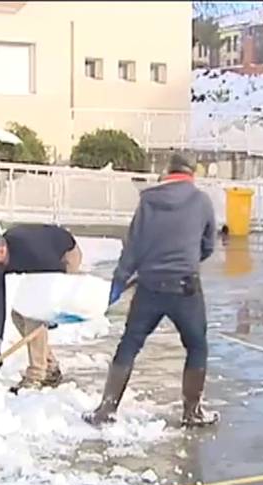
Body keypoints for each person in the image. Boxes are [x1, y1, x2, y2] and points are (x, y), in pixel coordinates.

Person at [84, 153, 219, 428]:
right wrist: (187, 259)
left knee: (130, 343)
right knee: (196, 346)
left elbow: (133, 245)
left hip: (149, 287)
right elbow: (208, 245)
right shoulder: (202, 201)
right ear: (191, 174)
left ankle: (106, 409)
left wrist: (120, 281)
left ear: (167, 172)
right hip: (185, 287)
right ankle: (192, 412)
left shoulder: (148, 200)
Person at [0, 224, 82, 392]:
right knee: (18, 315)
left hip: (63, 257)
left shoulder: (31, 251)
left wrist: (53, 310)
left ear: (0, 252)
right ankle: (50, 368)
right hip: (38, 270)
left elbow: (59, 277)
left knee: (33, 315)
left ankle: (36, 377)